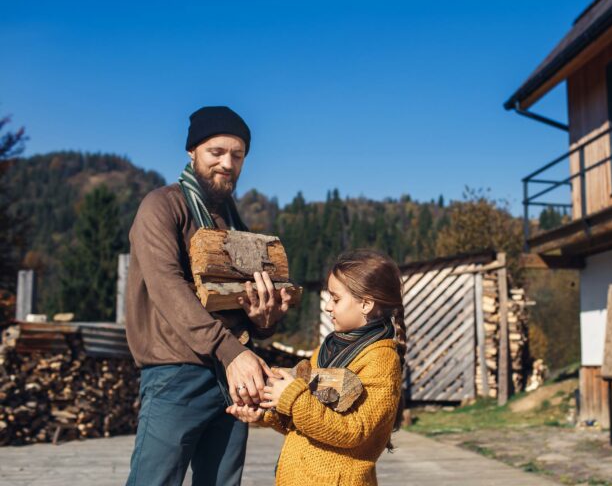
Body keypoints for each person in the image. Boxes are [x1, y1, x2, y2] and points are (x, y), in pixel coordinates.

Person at [125, 106, 293, 486]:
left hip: (232, 375)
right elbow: (168, 288)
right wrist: (231, 351)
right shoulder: (163, 206)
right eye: (216, 152)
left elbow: (236, 305)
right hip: (177, 373)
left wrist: (263, 319)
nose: (227, 163)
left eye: (237, 155)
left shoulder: (234, 225)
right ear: (192, 152)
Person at [227, 249, 407, 486]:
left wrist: (292, 397)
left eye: (336, 298)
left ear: (365, 304)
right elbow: (307, 421)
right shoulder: (327, 350)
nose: (328, 307)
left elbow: (354, 431)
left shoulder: (381, 360)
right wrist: (267, 412)